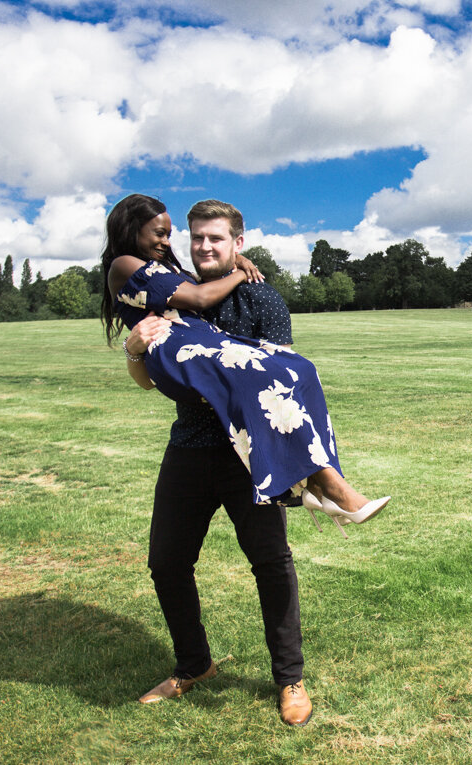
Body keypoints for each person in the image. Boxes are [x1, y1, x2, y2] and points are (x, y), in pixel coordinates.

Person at [101, 194, 389, 725]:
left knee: (271, 564)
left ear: (238, 243)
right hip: (190, 448)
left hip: (248, 458)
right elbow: (151, 381)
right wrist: (135, 351)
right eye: (195, 237)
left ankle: (290, 679)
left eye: (216, 238)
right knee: (166, 563)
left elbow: (273, 384)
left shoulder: (262, 301)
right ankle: (194, 665)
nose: (201, 245)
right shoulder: (176, 287)